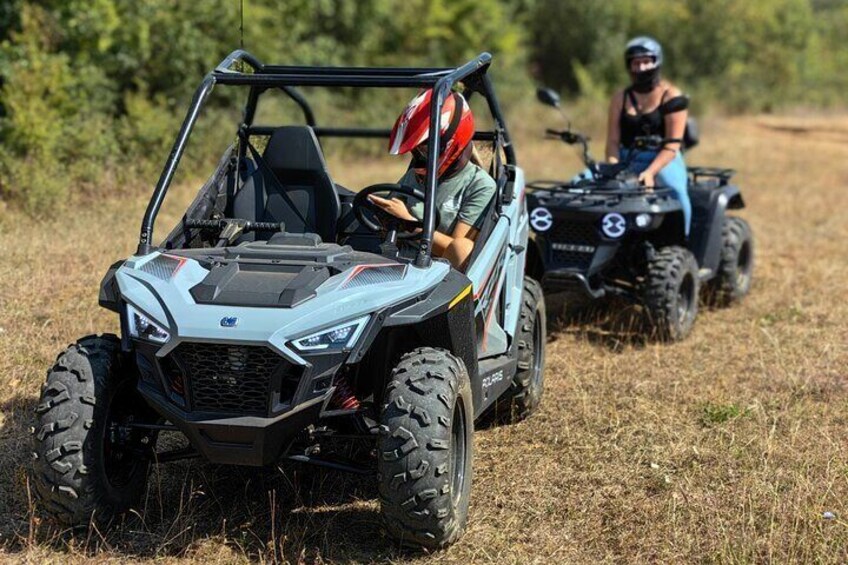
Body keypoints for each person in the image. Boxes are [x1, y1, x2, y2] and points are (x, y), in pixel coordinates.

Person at [368, 89, 496, 269]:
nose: (419, 156)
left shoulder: (480, 185)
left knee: (462, 247)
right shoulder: (415, 173)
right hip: (398, 257)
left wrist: (411, 225)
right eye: (416, 150)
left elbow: (457, 250)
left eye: (423, 149)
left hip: (436, 270)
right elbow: (392, 207)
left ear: (449, 141)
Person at [605, 36, 692, 235]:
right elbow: (612, 141)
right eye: (636, 63)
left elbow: (672, 145)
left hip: (663, 159)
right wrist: (612, 166)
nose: (642, 67)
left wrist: (651, 172)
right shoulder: (620, 97)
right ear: (629, 66)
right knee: (582, 182)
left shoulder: (671, 95)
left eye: (646, 61)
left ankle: (685, 239)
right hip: (626, 158)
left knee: (674, 190)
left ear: (656, 62)